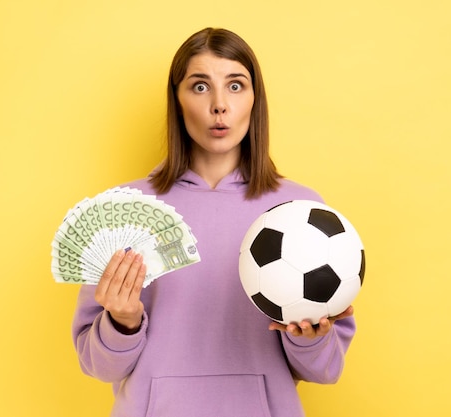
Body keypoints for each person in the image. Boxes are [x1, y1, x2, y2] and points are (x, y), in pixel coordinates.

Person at [72, 27, 356, 417]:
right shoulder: (122, 212)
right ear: (177, 100)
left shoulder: (302, 210)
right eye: (200, 87)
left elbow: (326, 369)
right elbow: (98, 366)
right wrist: (123, 322)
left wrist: (309, 339)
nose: (219, 105)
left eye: (235, 86)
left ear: (255, 100)